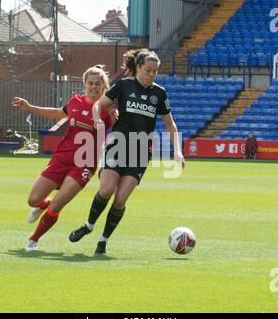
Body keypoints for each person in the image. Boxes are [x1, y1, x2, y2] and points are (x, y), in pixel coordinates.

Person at [69, 48, 186, 255]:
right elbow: (99, 105)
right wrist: (97, 117)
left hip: (141, 150)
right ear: (138, 68)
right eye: (148, 70)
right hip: (118, 143)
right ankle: (88, 226)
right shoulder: (124, 85)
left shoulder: (159, 93)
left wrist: (178, 152)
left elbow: (171, 125)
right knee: (106, 190)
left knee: (121, 199)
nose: (151, 74)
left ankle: (103, 241)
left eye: (155, 71)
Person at [12, 65, 116, 251]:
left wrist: (113, 116)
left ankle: (33, 240)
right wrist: (29, 107)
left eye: (98, 84)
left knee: (58, 204)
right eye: (90, 83)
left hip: (84, 165)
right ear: (84, 84)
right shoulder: (75, 101)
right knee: (33, 200)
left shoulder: (107, 108)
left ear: (104, 86)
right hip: (61, 158)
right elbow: (55, 113)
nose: (93, 87)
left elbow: (119, 129)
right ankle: (44, 204)